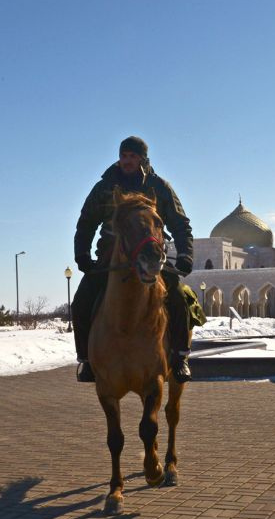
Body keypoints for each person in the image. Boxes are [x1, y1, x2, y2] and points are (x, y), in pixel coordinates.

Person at [72, 136, 195, 382]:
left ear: (142, 159)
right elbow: (86, 223)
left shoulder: (159, 186)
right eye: (124, 155)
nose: (127, 161)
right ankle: (86, 360)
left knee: (179, 297)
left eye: (132, 156)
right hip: (111, 257)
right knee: (81, 302)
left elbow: (180, 224)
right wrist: (82, 255)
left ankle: (180, 357)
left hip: (151, 256)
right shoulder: (104, 187)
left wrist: (185, 255)